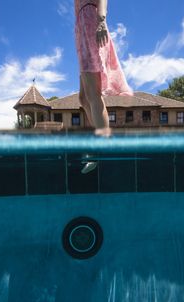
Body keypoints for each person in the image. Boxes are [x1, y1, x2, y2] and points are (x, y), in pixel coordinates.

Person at [74, 0, 133, 173]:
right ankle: (102, 137)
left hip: (90, 21)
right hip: (82, 26)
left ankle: (102, 145)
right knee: (83, 98)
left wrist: (101, 20)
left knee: (93, 94)